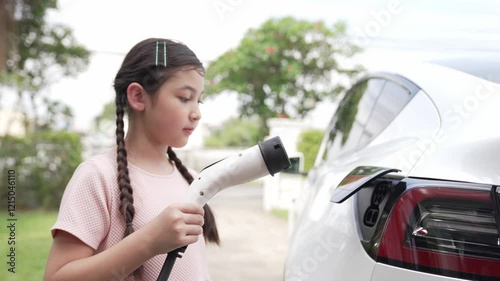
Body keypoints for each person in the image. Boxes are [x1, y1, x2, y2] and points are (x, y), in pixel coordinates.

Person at [44, 38, 219, 281]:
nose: (197, 113)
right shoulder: (97, 176)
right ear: (138, 96)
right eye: (184, 98)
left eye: (198, 100)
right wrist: (150, 241)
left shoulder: (188, 176)